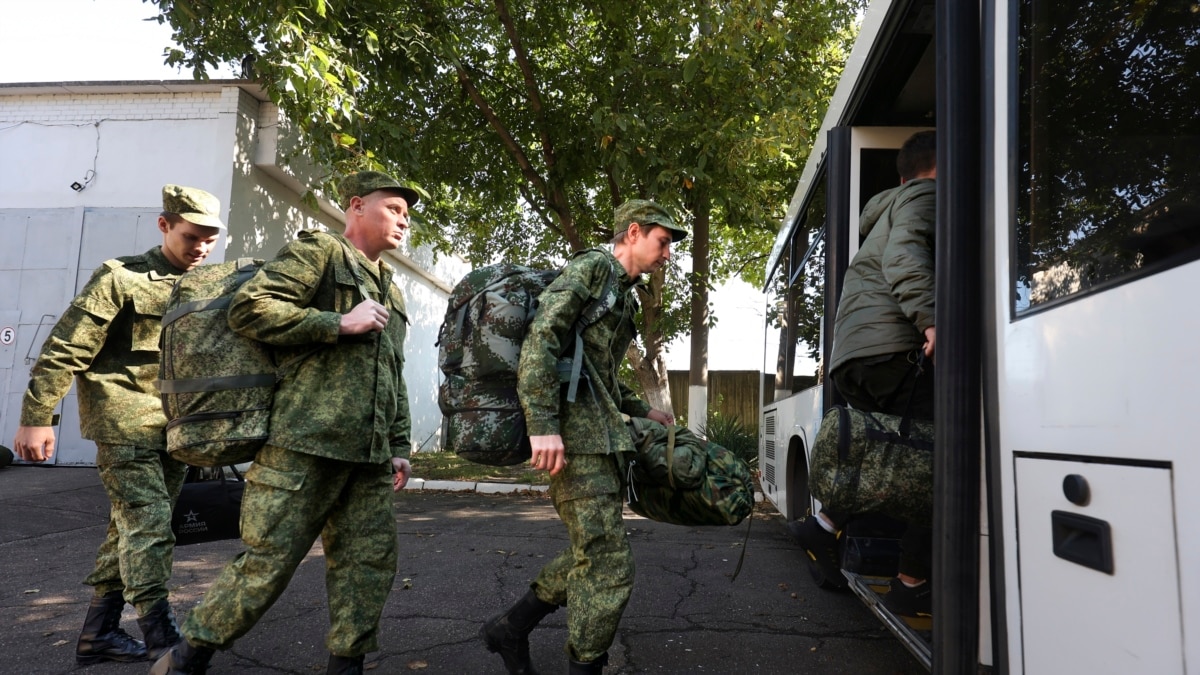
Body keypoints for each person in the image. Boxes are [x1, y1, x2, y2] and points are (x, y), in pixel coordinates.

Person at [150, 171, 417, 675]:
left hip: (368, 456)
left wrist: (398, 443)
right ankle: (188, 656)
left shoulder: (392, 291)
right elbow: (250, 309)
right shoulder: (320, 254)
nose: (404, 221)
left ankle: (347, 665)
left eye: (408, 215)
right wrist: (337, 322)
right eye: (394, 209)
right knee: (267, 563)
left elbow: (392, 373)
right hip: (302, 444)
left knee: (369, 566)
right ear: (356, 206)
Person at [13, 185, 225, 665]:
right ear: (164, 224)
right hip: (123, 421)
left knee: (128, 528)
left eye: (210, 239)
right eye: (193, 236)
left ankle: (98, 634)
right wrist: (36, 419)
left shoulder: (204, 284)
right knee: (149, 525)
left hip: (176, 426)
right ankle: (162, 638)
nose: (201, 248)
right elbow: (64, 349)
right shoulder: (120, 278)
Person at [481, 200, 687, 675]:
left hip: (603, 440)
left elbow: (601, 378)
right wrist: (543, 426)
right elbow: (541, 338)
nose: (667, 254)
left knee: (592, 553)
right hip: (575, 442)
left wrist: (643, 410)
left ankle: (509, 630)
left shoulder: (624, 295)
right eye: (663, 242)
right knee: (610, 564)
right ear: (633, 233)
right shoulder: (593, 268)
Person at [790, 130, 938, 618]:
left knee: (885, 457)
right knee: (939, 458)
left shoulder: (886, 209)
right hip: (893, 348)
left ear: (899, 174)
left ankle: (825, 524)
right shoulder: (926, 195)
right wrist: (932, 320)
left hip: (854, 355)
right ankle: (912, 581)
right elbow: (905, 259)